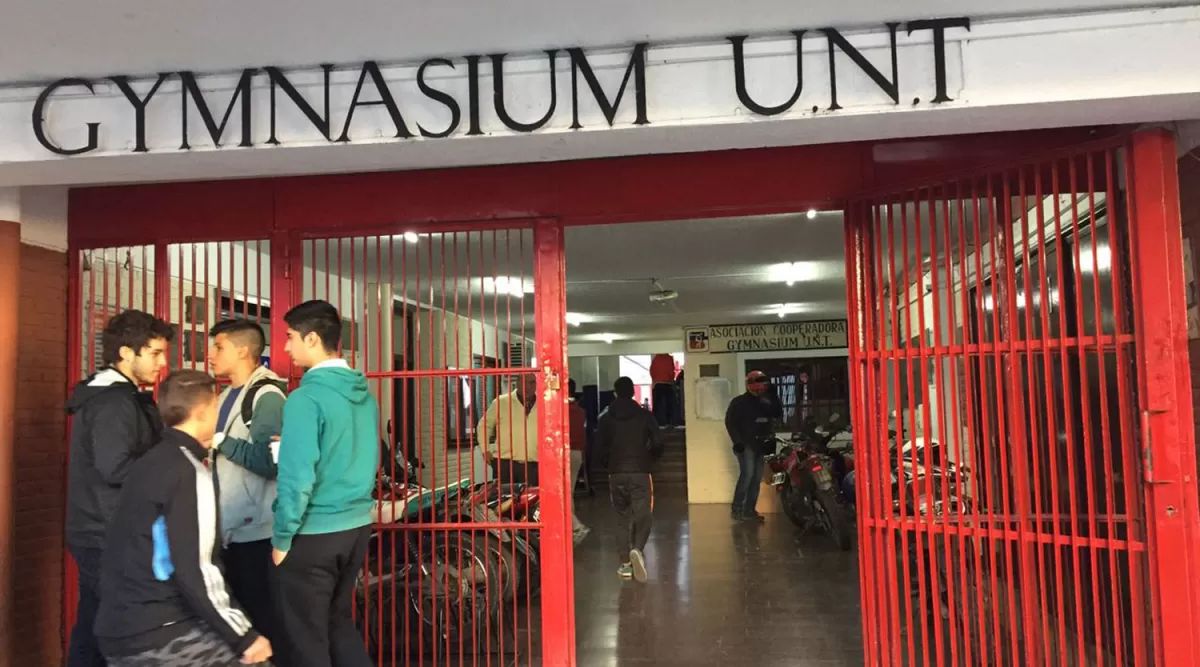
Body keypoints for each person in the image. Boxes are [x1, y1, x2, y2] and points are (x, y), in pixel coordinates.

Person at [94, 369, 272, 667]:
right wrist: (244, 636)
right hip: (164, 632)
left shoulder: (147, 463)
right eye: (216, 407)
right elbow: (197, 568)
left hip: (117, 628)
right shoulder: (189, 472)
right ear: (203, 412)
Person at [272, 300, 378, 667]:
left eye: (289, 338)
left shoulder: (305, 398)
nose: (285, 347)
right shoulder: (365, 395)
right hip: (357, 527)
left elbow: (297, 476)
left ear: (313, 338)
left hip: (314, 532)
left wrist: (283, 536)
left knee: (306, 640)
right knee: (337, 623)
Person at [66, 309, 173, 667]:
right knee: (118, 630)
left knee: (96, 625)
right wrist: (169, 476)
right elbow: (116, 468)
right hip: (107, 531)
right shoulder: (114, 402)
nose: (162, 363)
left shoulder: (117, 396)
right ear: (127, 353)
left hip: (101, 528)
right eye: (155, 353)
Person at [207, 320, 287, 640]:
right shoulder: (227, 394)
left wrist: (221, 442)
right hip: (229, 530)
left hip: (256, 532)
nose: (211, 355)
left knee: (261, 623)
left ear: (242, 350)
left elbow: (271, 462)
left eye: (218, 347)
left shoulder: (266, 396)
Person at [596, 376, 662, 582]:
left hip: (616, 473)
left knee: (621, 517)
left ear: (615, 393)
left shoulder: (605, 418)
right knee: (643, 513)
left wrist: (606, 464)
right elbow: (658, 441)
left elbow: (599, 446)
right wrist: (650, 458)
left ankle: (625, 564)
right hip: (640, 471)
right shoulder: (645, 416)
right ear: (633, 393)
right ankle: (637, 549)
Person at [724, 370, 782, 523]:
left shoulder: (765, 402)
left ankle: (749, 510)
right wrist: (737, 442)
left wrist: (772, 396)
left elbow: (777, 413)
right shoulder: (739, 402)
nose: (761, 386)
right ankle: (738, 509)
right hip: (746, 444)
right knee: (747, 475)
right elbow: (730, 422)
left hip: (761, 444)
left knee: (756, 479)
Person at [477, 374, 539, 485]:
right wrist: (485, 449)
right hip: (505, 463)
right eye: (524, 382)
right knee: (505, 499)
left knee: (532, 499)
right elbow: (484, 426)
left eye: (532, 382)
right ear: (518, 382)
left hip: (534, 463)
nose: (527, 387)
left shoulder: (543, 403)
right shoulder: (501, 402)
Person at [567, 379, 590, 543]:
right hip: (577, 453)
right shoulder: (581, 411)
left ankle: (575, 526)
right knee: (569, 492)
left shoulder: (559, 410)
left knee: (562, 494)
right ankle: (571, 525)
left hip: (561, 453)